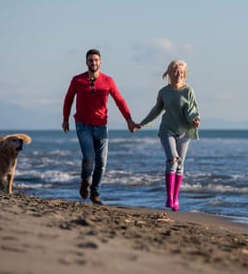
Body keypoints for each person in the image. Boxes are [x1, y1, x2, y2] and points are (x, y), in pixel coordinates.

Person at [62, 49, 138, 205]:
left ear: (100, 62)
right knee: (89, 157)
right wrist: (65, 119)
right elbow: (68, 99)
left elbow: (119, 100)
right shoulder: (77, 80)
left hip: (102, 126)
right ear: (86, 62)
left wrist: (129, 119)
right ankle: (85, 181)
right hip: (83, 125)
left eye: (96, 60)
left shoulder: (108, 81)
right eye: (90, 60)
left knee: (102, 163)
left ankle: (95, 192)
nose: (93, 63)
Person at [137, 60, 200, 211]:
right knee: (172, 159)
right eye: (175, 71)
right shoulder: (163, 92)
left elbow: (192, 109)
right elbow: (156, 110)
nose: (178, 74)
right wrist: (142, 123)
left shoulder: (188, 91)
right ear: (169, 73)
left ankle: (176, 198)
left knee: (180, 165)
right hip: (167, 130)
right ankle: (169, 197)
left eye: (181, 72)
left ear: (184, 74)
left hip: (184, 131)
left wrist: (194, 119)